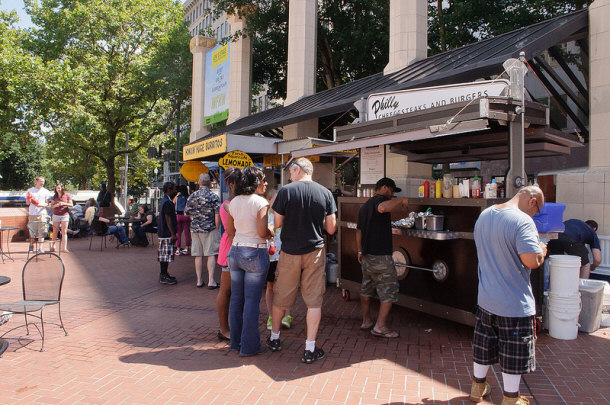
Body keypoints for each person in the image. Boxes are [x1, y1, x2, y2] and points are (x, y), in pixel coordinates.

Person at [469, 186, 547, 405]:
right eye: (537, 209)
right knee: (513, 352)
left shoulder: (485, 214)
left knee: (483, 346)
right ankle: (511, 398)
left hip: (485, 299)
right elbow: (531, 261)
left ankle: (478, 387)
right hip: (514, 303)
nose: (535, 215)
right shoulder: (522, 221)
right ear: (532, 201)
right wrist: (541, 251)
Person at [266, 158, 337, 364]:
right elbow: (331, 228)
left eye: (290, 171)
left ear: (298, 170)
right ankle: (309, 348)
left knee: (281, 297)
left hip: (289, 252)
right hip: (314, 252)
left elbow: (277, 223)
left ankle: (275, 339)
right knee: (314, 301)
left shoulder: (286, 192)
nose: (289, 175)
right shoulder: (325, 193)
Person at [226, 166, 273, 356]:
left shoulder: (234, 201)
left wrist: (239, 244)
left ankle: (235, 343)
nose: (266, 183)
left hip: (235, 252)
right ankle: (249, 346)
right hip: (255, 252)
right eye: (263, 179)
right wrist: (270, 232)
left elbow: (230, 231)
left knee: (237, 300)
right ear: (256, 182)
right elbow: (262, 232)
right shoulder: (260, 202)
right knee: (252, 301)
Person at [356, 177, 408, 338]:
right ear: (384, 187)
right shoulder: (380, 201)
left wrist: (359, 251)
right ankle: (380, 327)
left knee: (366, 288)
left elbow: (359, 232)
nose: (392, 195)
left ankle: (366, 321)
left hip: (366, 256)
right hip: (381, 256)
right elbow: (383, 207)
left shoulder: (364, 206)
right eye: (392, 191)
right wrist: (401, 201)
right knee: (389, 290)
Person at [185, 173, 221, 288]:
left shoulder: (192, 196)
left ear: (199, 183)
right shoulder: (213, 196)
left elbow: (186, 213)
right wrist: (217, 227)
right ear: (210, 183)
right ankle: (211, 281)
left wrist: (194, 219)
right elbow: (217, 214)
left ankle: (199, 280)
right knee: (211, 254)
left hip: (195, 229)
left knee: (198, 255)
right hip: (210, 228)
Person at [264, 188, 293, 331]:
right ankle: (271, 316)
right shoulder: (264, 216)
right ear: (268, 201)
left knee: (284, 286)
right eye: (275, 201)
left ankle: (287, 314)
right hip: (270, 257)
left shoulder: (285, 216)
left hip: (283, 255)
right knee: (270, 287)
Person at [216, 167, 239, 342]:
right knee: (226, 290)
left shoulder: (233, 203)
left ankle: (227, 327)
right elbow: (232, 231)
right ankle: (223, 328)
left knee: (231, 291)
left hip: (233, 248)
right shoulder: (227, 205)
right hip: (230, 249)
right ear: (231, 184)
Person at [157, 182, 178, 285]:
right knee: (165, 255)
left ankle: (164, 273)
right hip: (166, 233)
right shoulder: (167, 202)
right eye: (174, 189)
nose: (175, 191)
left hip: (164, 232)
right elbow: (168, 218)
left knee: (165, 255)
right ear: (169, 190)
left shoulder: (166, 201)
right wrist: (172, 233)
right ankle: (163, 275)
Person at [25, 176, 53, 253]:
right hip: (32, 214)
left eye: (43, 181)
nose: (42, 183)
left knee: (42, 231)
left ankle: (40, 248)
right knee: (32, 231)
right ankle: (31, 245)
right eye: (41, 181)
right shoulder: (30, 190)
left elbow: (47, 203)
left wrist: (40, 205)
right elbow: (27, 203)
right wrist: (29, 196)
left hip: (42, 213)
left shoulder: (46, 191)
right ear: (36, 181)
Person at [50, 182, 73, 253]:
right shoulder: (54, 196)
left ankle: (64, 247)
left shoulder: (67, 195)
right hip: (56, 214)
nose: (58, 189)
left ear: (62, 188)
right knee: (55, 231)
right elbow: (52, 206)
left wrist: (64, 203)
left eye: (59, 188)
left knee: (64, 231)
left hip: (64, 214)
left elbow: (71, 204)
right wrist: (56, 205)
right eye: (57, 188)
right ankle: (53, 246)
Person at [173, 184, 191, 255]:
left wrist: (177, 195)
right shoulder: (188, 197)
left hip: (178, 215)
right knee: (187, 233)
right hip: (186, 216)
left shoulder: (177, 197)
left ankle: (178, 249)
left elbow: (173, 203)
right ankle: (186, 248)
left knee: (178, 233)